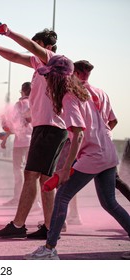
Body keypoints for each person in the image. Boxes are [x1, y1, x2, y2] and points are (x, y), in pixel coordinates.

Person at [25, 55, 130, 260]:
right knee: (110, 202)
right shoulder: (83, 94)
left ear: (59, 77)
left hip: (94, 155)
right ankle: (49, 248)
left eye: (48, 76)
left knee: (62, 196)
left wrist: (65, 169)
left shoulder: (68, 97)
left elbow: (79, 134)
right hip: (107, 153)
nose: (46, 80)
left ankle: (49, 248)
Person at [0, 26, 68, 239]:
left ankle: (18, 225)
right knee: (44, 179)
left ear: (48, 47)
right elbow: (16, 55)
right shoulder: (39, 65)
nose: (32, 52)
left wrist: (7, 32)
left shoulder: (53, 60)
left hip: (50, 128)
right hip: (45, 127)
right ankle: (49, 226)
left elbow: (26, 47)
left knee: (31, 174)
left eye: (37, 47)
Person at [73, 60, 130, 202]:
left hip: (89, 145)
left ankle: (66, 216)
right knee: (115, 183)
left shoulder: (78, 93)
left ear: (76, 73)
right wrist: (104, 134)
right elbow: (114, 120)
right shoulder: (102, 93)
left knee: (67, 180)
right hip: (106, 144)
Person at [0, 82, 32, 207]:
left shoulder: (19, 105)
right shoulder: (35, 103)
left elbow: (14, 125)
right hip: (32, 141)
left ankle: (17, 197)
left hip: (20, 142)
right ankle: (34, 201)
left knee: (18, 170)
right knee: (31, 172)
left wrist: (4, 138)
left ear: (22, 91)